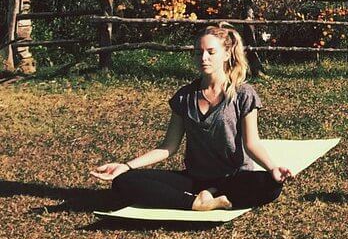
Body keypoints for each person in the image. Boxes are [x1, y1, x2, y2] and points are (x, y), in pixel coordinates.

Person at [90, 23, 292, 212]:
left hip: (234, 178)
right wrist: (125, 166)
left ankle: (211, 193)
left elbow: (251, 143)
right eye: (198, 52)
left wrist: (272, 168)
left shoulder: (243, 94)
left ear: (226, 54)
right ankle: (197, 203)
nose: (203, 58)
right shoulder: (184, 97)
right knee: (123, 181)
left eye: (211, 52)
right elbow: (168, 147)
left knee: (271, 185)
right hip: (196, 179)